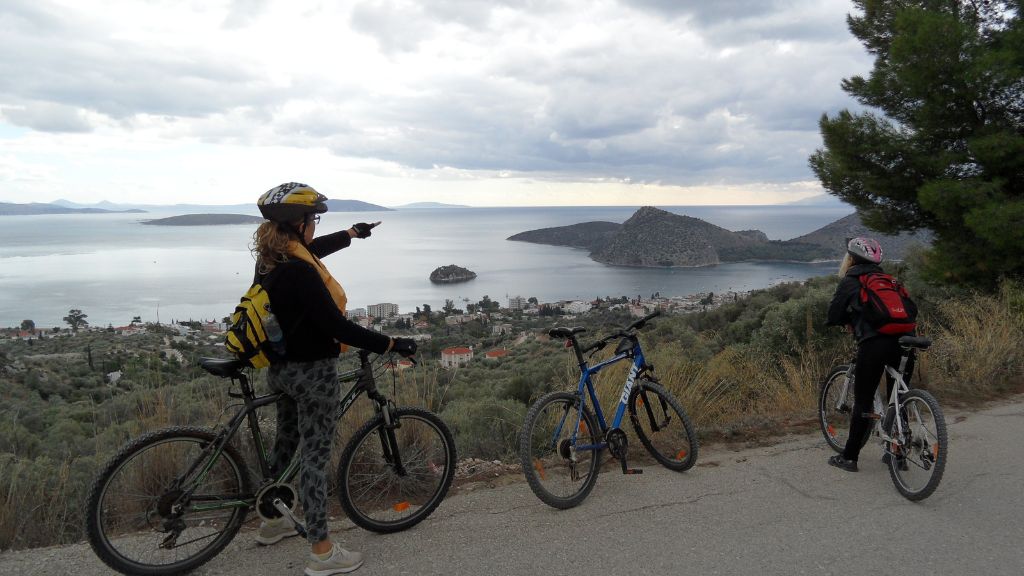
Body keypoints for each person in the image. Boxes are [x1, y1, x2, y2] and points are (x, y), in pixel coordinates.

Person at [250, 182, 416, 575]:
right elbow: (338, 328)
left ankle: (274, 520)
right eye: (314, 219)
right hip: (314, 374)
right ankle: (322, 551)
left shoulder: (271, 259)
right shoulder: (302, 275)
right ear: (299, 222)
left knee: (286, 442)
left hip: (281, 371)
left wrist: (351, 235)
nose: (315, 225)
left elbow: (312, 252)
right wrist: (391, 343)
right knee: (315, 458)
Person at [824, 237, 910, 472]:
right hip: (905, 342)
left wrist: (846, 321)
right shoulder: (889, 281)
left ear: (851, 259)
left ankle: (849, 457)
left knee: (863, 400)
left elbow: (834, 314)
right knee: (899, 398)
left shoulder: (852, 280)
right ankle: (899, 455)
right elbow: (911, 311)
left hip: (874, 345)